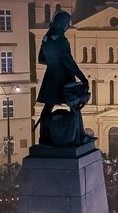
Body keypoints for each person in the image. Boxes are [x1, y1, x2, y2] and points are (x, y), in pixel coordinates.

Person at [36, 11, 89, 146]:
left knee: (47, 108)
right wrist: (82, 77)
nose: (68, 27)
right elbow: (68, 60)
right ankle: (78, 135)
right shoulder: (61, 40)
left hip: (50, 77)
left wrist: (53, 60)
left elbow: (41, 59)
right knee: (74, 106)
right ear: (62, 23)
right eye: (67, 23)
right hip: (64, 77)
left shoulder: (46, 38)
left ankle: (43, 138)